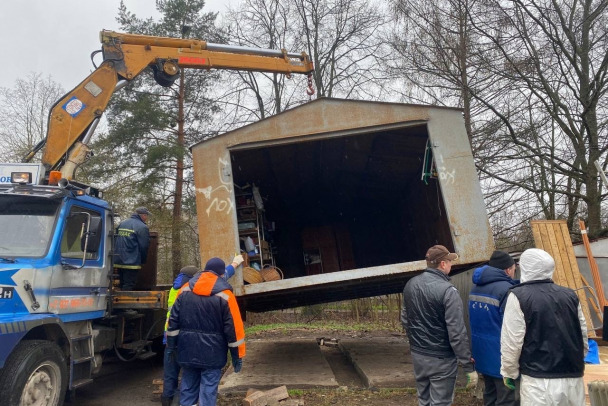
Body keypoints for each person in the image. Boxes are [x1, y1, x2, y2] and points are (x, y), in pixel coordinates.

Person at [501, 248, 588, 405]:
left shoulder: (518, 296)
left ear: (525, 268)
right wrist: (577, 359)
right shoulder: (570, 295)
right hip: (573, 378)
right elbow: (582, 333)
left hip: (538, 382)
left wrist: (508, 372)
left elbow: (512, 341)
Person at [161, 255, 244, 406]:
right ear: (220, 274)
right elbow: (234, 330)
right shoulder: (226, 296)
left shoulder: (184, 290)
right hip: (213, 354)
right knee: (208, 391)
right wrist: (237, 356)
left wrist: (172, 346)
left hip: (188, 351)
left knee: (188, 389)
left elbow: (173, 322)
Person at [401, 244, 478, 406]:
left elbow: (405, 320)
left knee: (424, 400)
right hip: (441, 358)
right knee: (440, 403)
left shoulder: (411, 284)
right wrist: (467, 365)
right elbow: (456, 333)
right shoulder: (448, 291)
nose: (451, 264)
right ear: (443, 264)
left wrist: (417, 342)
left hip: (418, 355)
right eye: (450, 261)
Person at [469, 250, 519, 406]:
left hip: (482, 354)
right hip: (501, 356)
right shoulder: (506, 290)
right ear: (507, 270)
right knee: (507, 399)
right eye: (513, 269)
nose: (514, 273)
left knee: (490, 394)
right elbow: (512, 326)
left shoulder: (475, 288)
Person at [114, 207, 151, 290]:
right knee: (129, 284)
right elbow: (144, 246)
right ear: (143, 215)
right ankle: (124, 302)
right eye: (146, 216)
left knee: (122, 283)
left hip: (118, 260)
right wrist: (143, 260)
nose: (147, 218)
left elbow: (115, 239)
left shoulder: (122, 223)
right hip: (131, 261)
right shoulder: (142, 227)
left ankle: (118, 300)